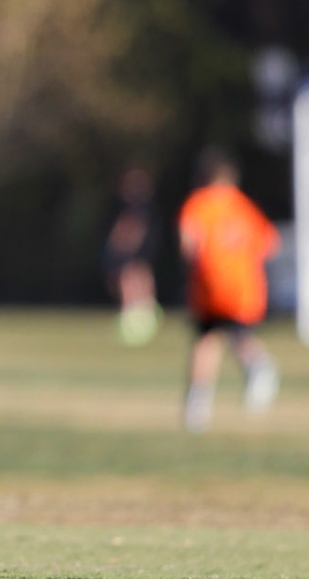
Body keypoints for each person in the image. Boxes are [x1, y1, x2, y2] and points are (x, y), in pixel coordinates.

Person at [177, 149, 280, 433]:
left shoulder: (198, 203)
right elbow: (270, 243)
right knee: (236, 336)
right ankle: (259, 369)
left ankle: (197, 405)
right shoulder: (244, 206)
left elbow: (188, 244)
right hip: (244, 288)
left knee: (207, 341)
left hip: (210, 287)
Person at [103, 167, 163, 347]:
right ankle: (139, 318)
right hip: (135, 255)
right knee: (134, 283)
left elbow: (129, 231)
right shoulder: (134, 206)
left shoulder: (138, 208)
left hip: (134, 255)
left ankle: (138, 320)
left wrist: (122, 249)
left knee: (134, 283)